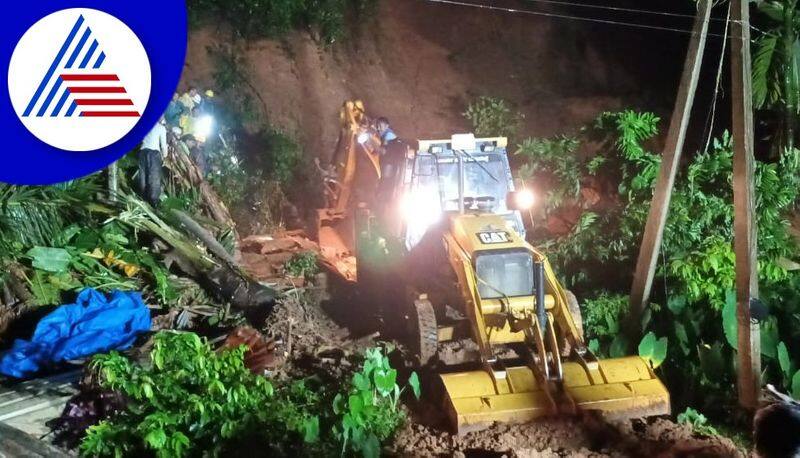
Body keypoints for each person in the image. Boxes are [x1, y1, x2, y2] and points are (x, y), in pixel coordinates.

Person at [139, 118, 168, 206]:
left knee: (143, 175)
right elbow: (163, 145)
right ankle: (153, 200)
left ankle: (143, 196)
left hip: (143, 151)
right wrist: (165, 156)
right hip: (153, 153)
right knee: (154, 177)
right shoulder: (161, 128)